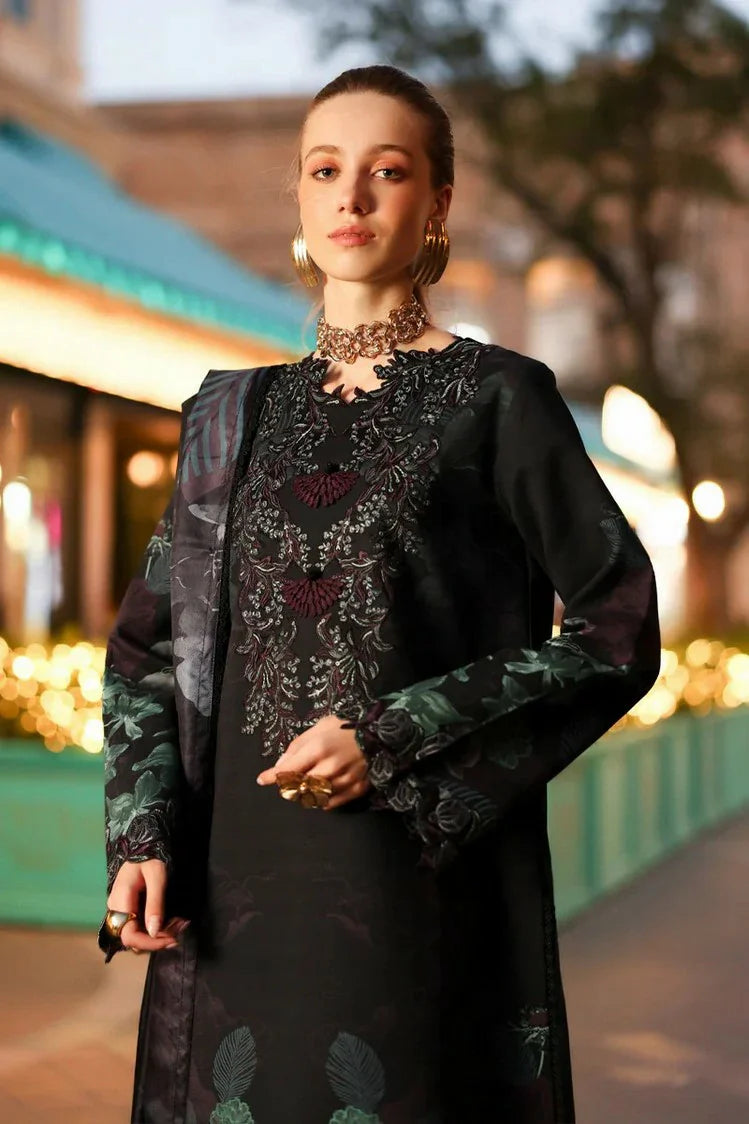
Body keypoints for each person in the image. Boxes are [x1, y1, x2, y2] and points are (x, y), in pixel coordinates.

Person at [98, 64, 661, 1124]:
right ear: (300, 198)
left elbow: (615, 627)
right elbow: (144, 651)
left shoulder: (499, 398)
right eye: (324, 170)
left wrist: (390, 732)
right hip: (229, 899)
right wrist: (142, 834)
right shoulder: (228, 416)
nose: (350, 196)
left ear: (436, 201)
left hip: (409, 888)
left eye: (386, 171)